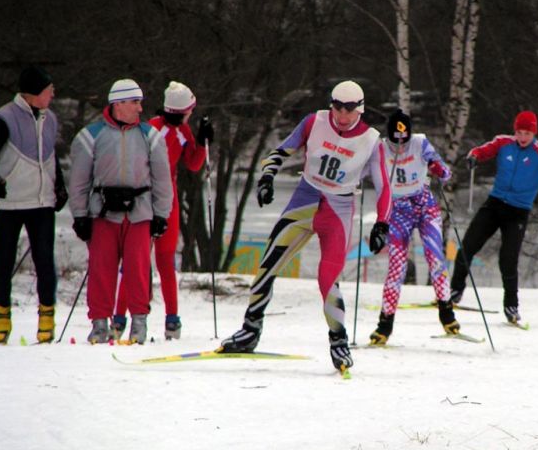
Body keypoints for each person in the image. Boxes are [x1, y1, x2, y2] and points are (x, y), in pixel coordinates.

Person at [219, 80, 392, 372]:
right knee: (267, 266)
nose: (342, 115)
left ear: (360, 109)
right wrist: (267, 177)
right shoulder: (315, 121)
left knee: (328, 280)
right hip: (303, 200)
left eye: (349, 109)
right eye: (337, 107)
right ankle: (250, 330)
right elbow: (280, 152)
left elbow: (384, 186)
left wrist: (382, 224)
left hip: (337, 211)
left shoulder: (372, 140)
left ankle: (339, 342)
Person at [68, 79, 173, 344]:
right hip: (103, 213)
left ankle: (139, 323)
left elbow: (163, 179)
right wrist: (80, 215)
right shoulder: (90, 136)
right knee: (101, 269)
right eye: (135, 102)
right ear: (119, 104)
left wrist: (162, 214)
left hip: (139, 212)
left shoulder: (150, 136)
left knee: (138, 269)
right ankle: (99, 324)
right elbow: (79, 180)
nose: (140, 108)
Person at [112, 81, 213, 340]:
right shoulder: (152, 129)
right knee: (135, 261)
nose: (191, 114)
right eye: (190, 110)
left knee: (166, 261)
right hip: (145, 201)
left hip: (170, 202)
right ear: (182, 111)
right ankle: (119, 318)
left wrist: (202, 141)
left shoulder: (183, 130)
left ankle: (172, 319)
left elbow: (193, 164)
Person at [450, 110, 538, 324]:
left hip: (518, 211)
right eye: (519, 132)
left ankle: (511, 306)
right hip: (494, 204)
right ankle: (455, 291)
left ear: (534, 133)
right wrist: (473, 157)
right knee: (468, 246)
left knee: (508, 259)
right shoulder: (503, 142)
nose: (522, 137)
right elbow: (481, 151)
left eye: (527, 133)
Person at [0, 66, 68, 344]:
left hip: (42, 201)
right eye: (49, 90)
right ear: (35, 92)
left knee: (44, 260)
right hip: (11, 202)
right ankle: (2, 319)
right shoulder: (5, 118)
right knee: (4, 262)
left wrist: (59, 186)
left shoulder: (50, 118)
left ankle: (46, 319)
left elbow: (50, 156)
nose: (53, 94)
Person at [369, 109, 459, 344]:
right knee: (396, 267)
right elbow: (368, 173)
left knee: (435, 257)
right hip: (398, 210)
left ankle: (447, 313)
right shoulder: (380, 148)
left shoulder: (420, 142)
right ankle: (384, 325)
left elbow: (445, 172)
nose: (400, 147)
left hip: (424, 205)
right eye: (395, 141)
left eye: (404, 141)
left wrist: (438, 169)